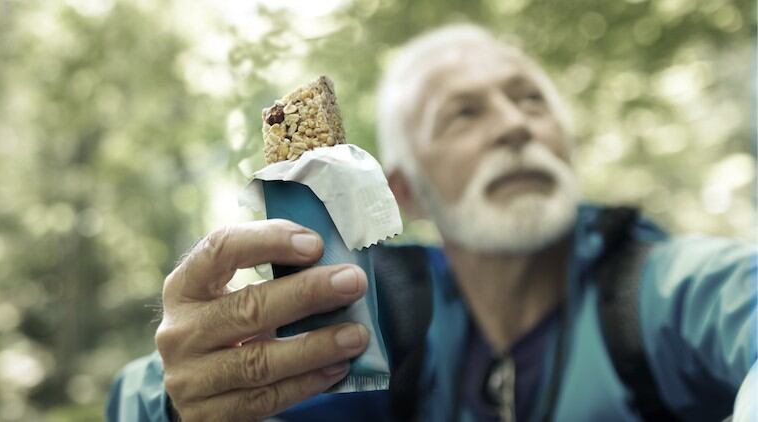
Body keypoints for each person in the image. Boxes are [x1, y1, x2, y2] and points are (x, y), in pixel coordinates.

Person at [106, 24, 757, 421]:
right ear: (404, 191)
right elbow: (213, 391)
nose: (514, 125)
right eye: (462, 115)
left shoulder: (657, 291)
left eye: (530, 99)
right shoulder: (386, 319)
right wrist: (174, 401)